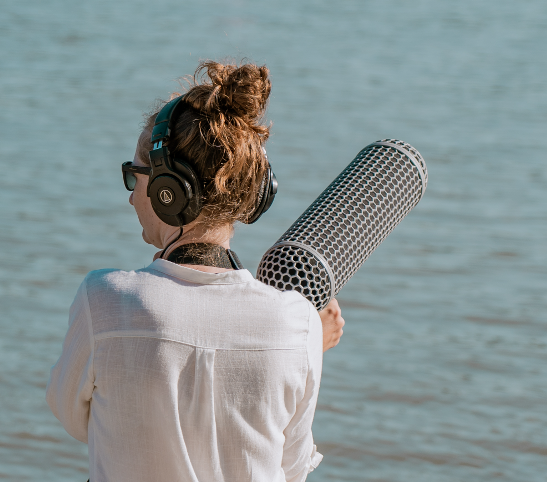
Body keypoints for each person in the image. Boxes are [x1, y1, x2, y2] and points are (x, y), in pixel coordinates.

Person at [47, 61, 344, 482]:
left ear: (169, 189)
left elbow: (76, 420)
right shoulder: (297, 326)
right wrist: (308, 349)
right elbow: (291, 468)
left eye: (135, 177)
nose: (132, 198)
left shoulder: (104, 301)